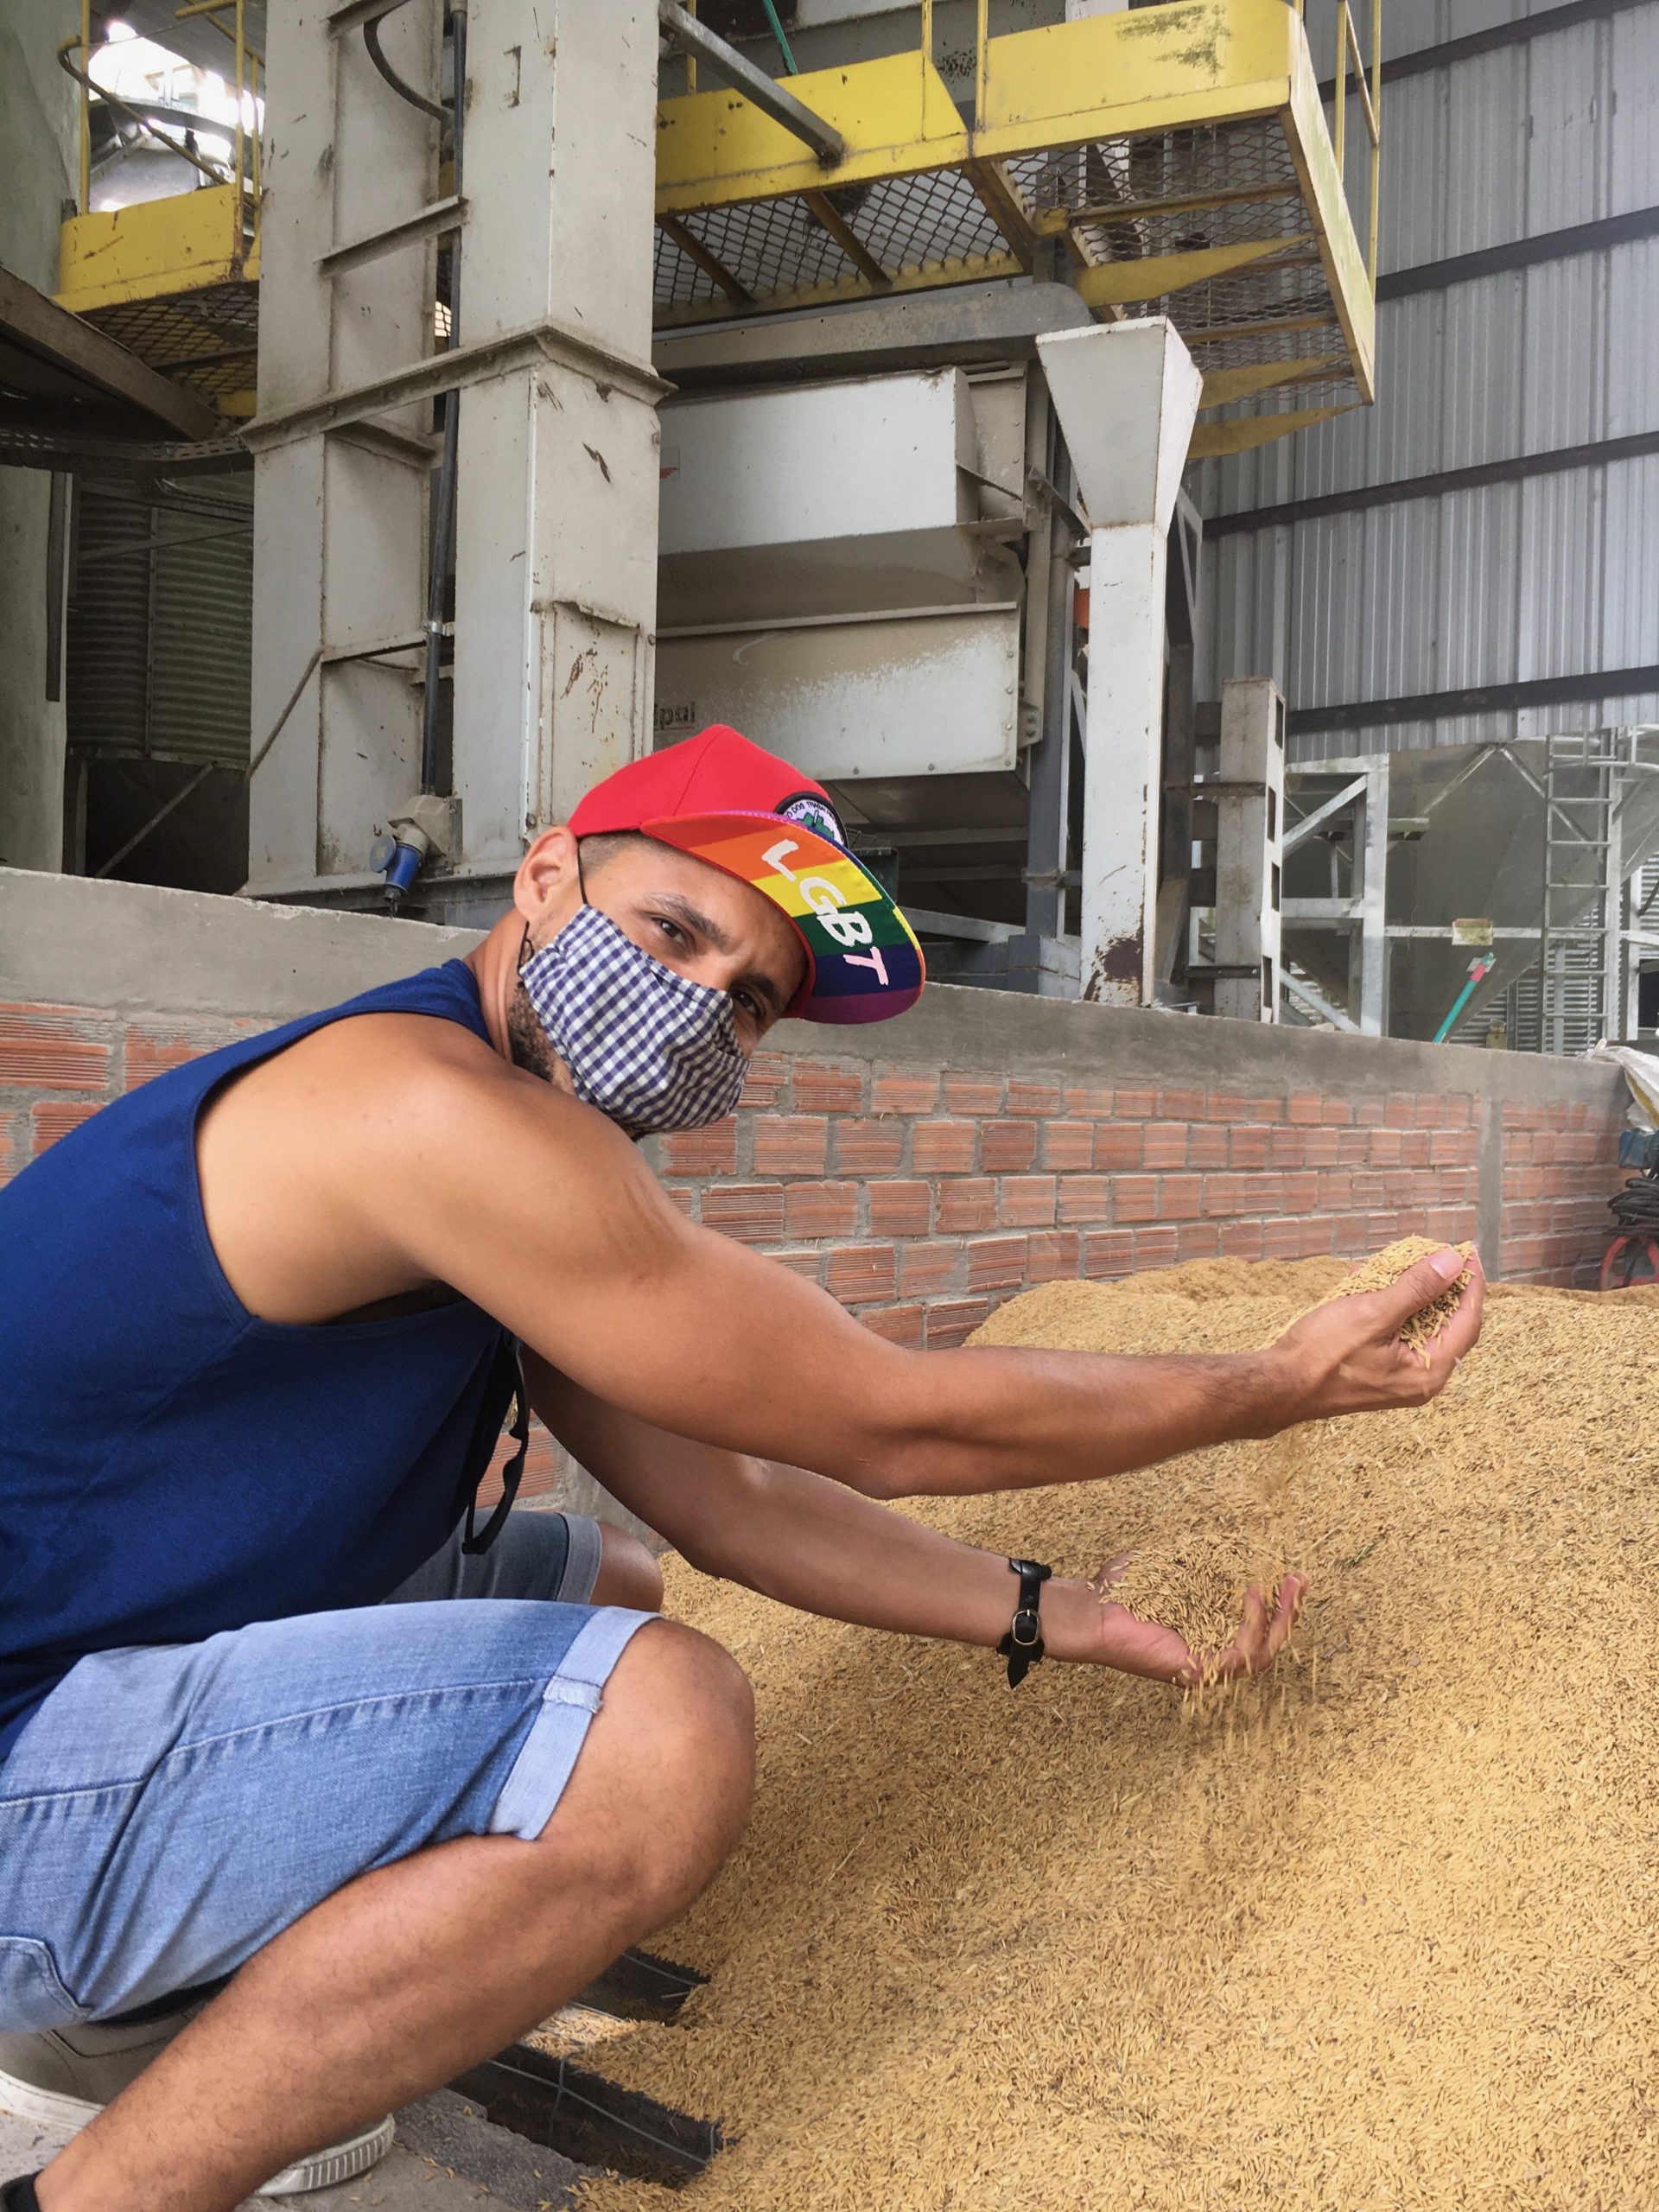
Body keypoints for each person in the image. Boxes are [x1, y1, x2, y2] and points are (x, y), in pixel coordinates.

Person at [0, 725, 1483, 2212]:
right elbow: (888, 1421)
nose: (696, 1005)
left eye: (750, 1001)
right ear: (544, 879)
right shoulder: (437, 1114)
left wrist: (1068, 1614)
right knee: (662, 1733)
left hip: (67, 1662)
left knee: (612, 1580)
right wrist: (1277, 1386)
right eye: (672, 929)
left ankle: (142, 2016)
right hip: (18, 1769)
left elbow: (740, 1502)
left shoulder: (493, 1123)